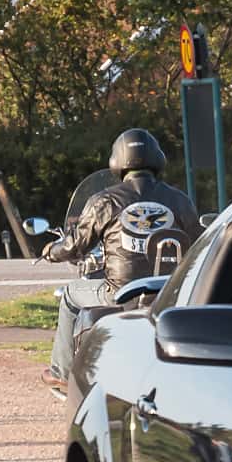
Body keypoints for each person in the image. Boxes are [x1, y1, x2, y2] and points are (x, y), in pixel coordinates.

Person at [40, 128, 199, 394]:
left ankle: (62, 372)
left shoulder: (105, 200)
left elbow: (75, 245)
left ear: (116, 161)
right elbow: (198, 242)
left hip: (119, 294)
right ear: (158, 159)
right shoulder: (179, 200)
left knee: (69, 294)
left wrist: (50, 251)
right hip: (169, 292)